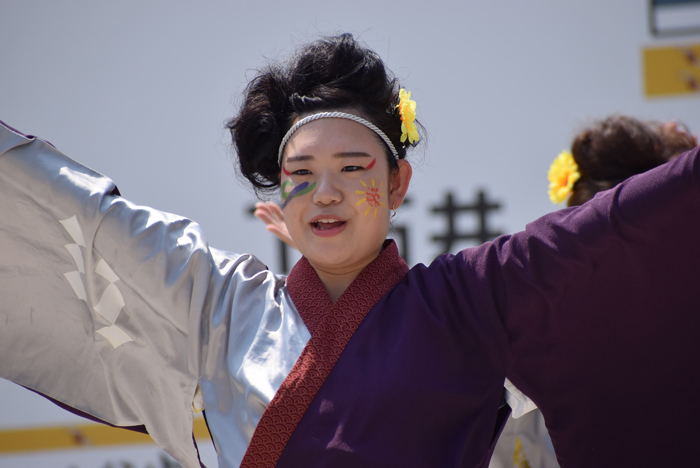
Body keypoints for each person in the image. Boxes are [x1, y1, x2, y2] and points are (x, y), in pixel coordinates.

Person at [1, 34, 700, 468]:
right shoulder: (213, 307)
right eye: (300, 175)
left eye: (353, 168)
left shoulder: (471, 301)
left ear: (398, 182)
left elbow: (621, 233)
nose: (324, 193)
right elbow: (79, 218)